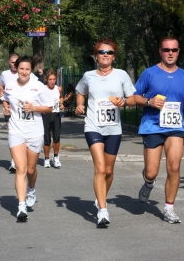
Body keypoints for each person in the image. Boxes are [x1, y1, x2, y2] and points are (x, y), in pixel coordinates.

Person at [134, 36, 184, 224]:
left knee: (174, 167)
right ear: (160, 51)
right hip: (152, 126)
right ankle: (148, 183)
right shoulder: (149, 73)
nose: (170, 53)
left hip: (176, 127)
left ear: (178, 52)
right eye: (167, 50)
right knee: (152, 172)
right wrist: (149, 101)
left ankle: (169, 207)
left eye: (174, 50)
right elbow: (134, 97)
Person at [75, 38, 136, 227]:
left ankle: (101, 197)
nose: (105, 55)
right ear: (96, 56)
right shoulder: (88, 76)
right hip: (93, 126)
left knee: (109, 171)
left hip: (113, 129)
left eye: (109, 52)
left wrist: (123, 102)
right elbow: (80, 91)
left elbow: (133, 98)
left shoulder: (121, 75)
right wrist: (79, 104)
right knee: (100, 168)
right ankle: (102, 210)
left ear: (114, 56)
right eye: (102, 52)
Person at [2, 55, 53, 221]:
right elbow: (6, 101)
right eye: (21, 69)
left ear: (31, 70)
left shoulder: (38, 86)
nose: (24, 72)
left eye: (27, 69)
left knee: (31, 170)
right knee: (20, 169)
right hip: (16, 132)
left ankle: (31, 188)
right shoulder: (9, 86)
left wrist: (34, 107)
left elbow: (49, 108)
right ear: (17, 69)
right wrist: (6, 109)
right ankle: (21, 206)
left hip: (34, 132)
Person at [0, 52, 38, 172]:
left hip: (27, 112)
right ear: (9, 63)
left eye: (17, 63)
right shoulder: (5, 74)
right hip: (11, 109)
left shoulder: (30, 76)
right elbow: (1, 86)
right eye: (13, 62)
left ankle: (21, 158)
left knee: (23, 135)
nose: (15, 65)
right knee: (13, 132)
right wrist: (4, 102)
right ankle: (14, 160)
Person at [42, 69, 64, 168]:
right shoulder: (42, 89)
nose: (52, 81)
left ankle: (56, 157)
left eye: (54, 79)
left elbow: (61, 97)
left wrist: (61, 104)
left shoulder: (58, 89)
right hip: (45, 115)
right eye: (50, 79)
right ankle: (46, 159)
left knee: (56, 138)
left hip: (56, 115)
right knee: (47, 139)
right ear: (46, 79)